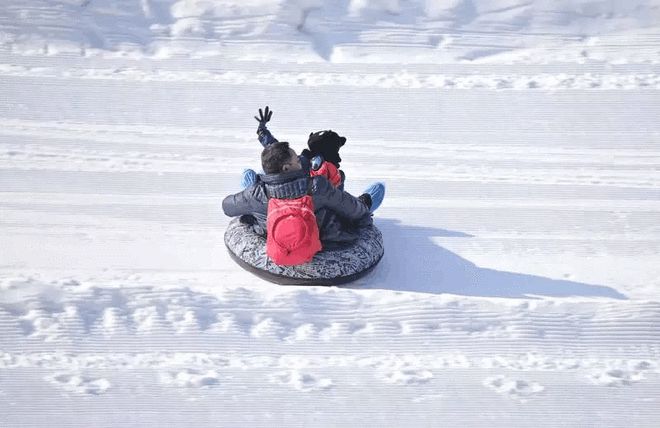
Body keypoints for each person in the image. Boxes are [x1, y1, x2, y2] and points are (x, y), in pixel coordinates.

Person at [222, 107, 384, 245]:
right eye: (295, 158)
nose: (299, 159)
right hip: (315, 238)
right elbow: (351, 208)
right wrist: (364, 210)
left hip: (273, 235)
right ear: (286, 168)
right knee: (377, 190)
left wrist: (251, 199)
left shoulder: (256, 193)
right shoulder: (317, 187)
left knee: (249, 175)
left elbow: (227, 206)